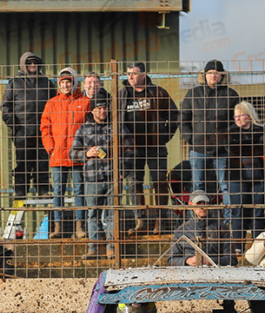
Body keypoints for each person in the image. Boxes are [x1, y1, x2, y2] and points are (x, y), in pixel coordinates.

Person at [70, 89, 135, 259]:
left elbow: (131, 150)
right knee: (93, 213)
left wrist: (123, 172)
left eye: (105, 108)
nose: (102, 111)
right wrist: (86, 153)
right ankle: (94, 247)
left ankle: (112, 247)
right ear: (92, 110)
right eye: (98, 108)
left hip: (114, 177)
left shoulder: (117, 127)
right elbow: (72, 153)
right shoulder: (84, 129)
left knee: (113, 213)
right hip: (92, 179)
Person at [117, 62, 179, 236]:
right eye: (128, 73)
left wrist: (165, 136)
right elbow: (114, 119)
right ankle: (141, 221)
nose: (130, 77)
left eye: (134, 73)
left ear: (143, 75)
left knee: (159, 182)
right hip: (131, 149)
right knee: (134, 184)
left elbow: (174, 115)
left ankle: (160, 221)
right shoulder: (122, 94)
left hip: (155, 146)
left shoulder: (158, 92)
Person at [180, 60, 241, 229]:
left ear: (222, 75)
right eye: (210, 72)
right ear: (204, 75)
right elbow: (183, 118)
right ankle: (197, 222)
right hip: (198, 148)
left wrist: (226, 138)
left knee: (225, 185)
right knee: (198, 185)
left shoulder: (231, 95)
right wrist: (190, 138)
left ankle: (229, 222)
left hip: (222, 150)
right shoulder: (192, 94)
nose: (213, 76)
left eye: (216, 72)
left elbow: (237, 121)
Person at [40, 67, 90, 239]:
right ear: (59, 84)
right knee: (58, 192)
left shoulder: (84, 101)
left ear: (74, 83)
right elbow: (45, 128)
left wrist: (85, 149)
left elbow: (90, 127)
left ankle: (80, 227)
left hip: (78, 156)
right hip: (58, 155)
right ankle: (58, 227)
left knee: (79, 190)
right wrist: (51, 149)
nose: (66, 85)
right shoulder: (52, 103)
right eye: (63, 82)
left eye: (69, 81)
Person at [0, 52, 55, 200]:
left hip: (43, 131)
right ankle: (20, 191)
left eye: (35, 63)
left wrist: (51, 126)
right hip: (22, 131)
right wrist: (15, 126)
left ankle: (43, 190)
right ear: (23, 64)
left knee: (42, 161)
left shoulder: (46, 82)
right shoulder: (14, 82)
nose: (32, 66)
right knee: (23, 162)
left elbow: (55, 104)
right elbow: (5, 106)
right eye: (29, 63)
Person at [226, 101, 265, 244]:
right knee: (238, 211)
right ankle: (237, 245)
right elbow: (231, 149)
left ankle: (258, 244)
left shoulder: (261, 130)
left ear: (249, 115)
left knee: (257, 211)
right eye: (236, 117)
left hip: (261, 177)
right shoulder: (230, 132)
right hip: (236, 178)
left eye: (241, 116)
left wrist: (243, 149)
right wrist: (252, 148)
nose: (238, 119)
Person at [167, 189, 235, 267]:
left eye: (205, 203)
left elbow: (232, 259)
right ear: (190, 204)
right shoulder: (181, 231)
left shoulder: (222, 228)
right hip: (188, 274)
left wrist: (210, 261)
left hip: (215, 273)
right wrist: (187, 260)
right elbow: (171, 260)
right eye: (199, 203)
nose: (202, 206)